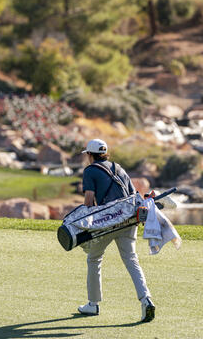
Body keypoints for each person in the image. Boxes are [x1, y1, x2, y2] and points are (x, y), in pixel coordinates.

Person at [77, 138, 156, 322]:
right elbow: (131, 194)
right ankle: (146, 300)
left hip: (108, 221)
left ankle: (93, 304)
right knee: (131, 260)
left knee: (94, 258)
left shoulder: (90, 170)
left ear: (90, 155)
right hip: (128, 219)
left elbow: (89, 202)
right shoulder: (118, 167)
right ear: (105, 153)